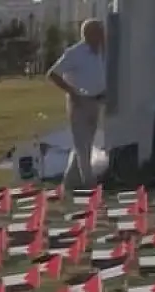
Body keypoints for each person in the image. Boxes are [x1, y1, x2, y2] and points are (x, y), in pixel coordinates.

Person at [47, 19, 107, 189]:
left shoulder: (102, 52)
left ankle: (69, 182)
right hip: (80, 102)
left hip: (96, 101)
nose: (103, 35)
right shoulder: (75, 53)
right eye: (99, 32)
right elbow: (53, 73)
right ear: (89, 34)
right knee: (82, 144)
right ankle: (89, 183)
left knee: (85, 142)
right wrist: (73, 92)